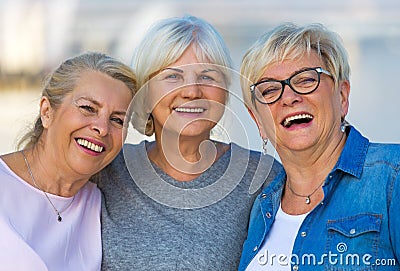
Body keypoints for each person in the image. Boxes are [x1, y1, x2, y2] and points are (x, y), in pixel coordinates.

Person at [94, 15, 281, 270]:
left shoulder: (261, 177)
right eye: (172, 76)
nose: (192, 91)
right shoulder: (107, 169)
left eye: (207, 77)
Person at [238, 22, 400, 271]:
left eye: (305, 80)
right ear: (257, 120)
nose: (289, 97)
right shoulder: (261, 208)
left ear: (342, 96)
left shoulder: (392, 178)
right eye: (269, 90)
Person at [0, 52, 136, 271]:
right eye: (88, 108)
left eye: (117, 120)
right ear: (47, 111)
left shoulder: (102, 202)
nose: (102, 128)